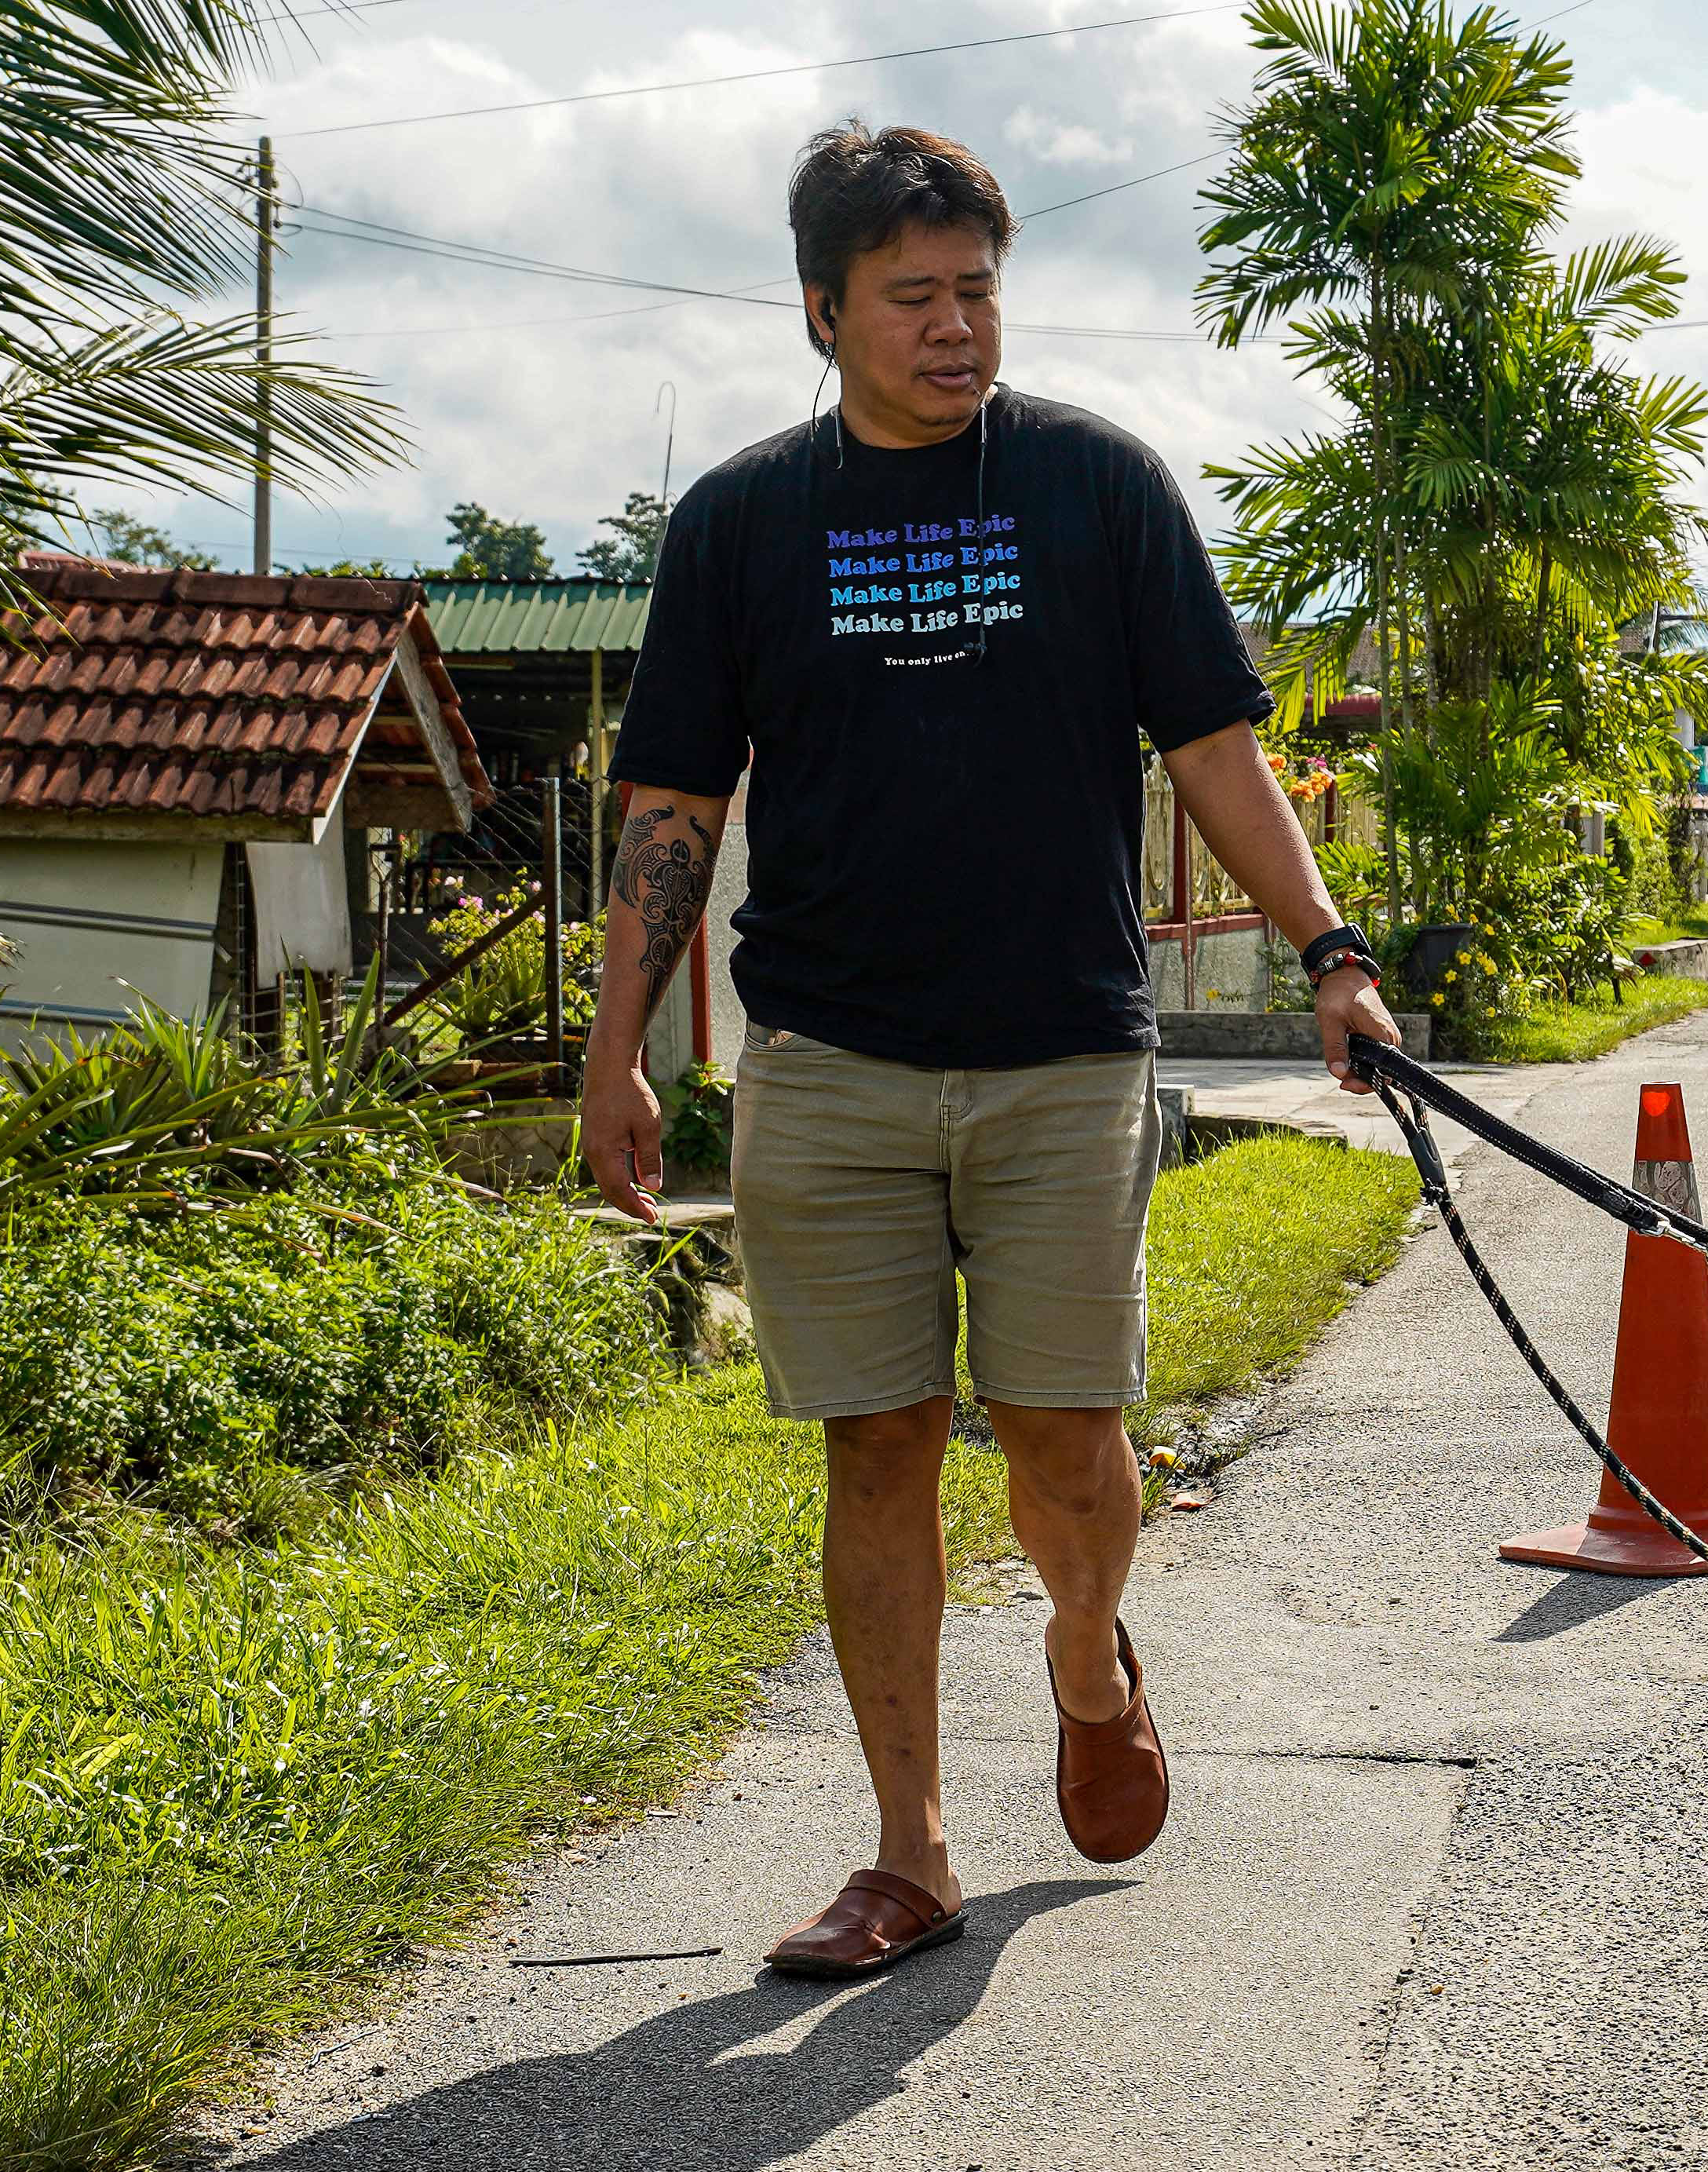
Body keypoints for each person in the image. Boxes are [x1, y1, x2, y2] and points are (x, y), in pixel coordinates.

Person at [578, 123, 1399, 1978]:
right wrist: (615, 1047)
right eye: (914, 298)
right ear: (824, 311)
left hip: (1057, 1056)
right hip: (829, 1056)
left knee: (1066, 1438)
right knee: (876, 1443)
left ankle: (1090, 1654)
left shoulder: (1095, 492)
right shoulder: (739, 526)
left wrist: (1331, 955)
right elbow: (670, 799)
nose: (958, 330)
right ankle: (912, 1850)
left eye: (979, 293)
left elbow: (1214, 749)